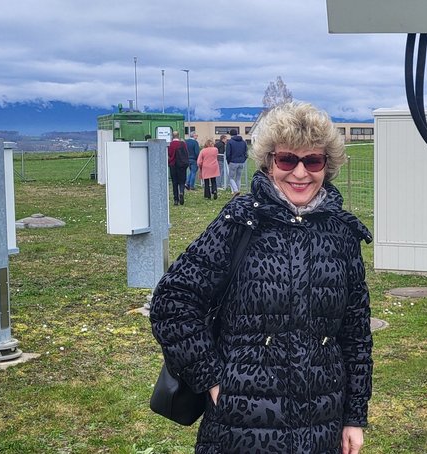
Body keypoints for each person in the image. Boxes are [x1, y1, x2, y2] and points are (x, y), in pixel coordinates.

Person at [150, 102, 373, 454]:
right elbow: (173, 300)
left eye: (312, 161)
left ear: (327, 166)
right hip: (240, 429)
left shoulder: (341, 234)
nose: (300, 172)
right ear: (269, 162)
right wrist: (212, 380)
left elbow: (356, 334)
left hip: (321, 427)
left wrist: (354, 417)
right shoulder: (240, 221)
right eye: (287, 160)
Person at [167, 131, 190, 205]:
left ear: (172, 136)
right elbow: (186, 153)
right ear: (178, 136)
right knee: (182, 181)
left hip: (173, 165)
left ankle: (176, 200)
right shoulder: (182, 144)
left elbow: (169, 154)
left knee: (174, 182)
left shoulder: (170, 144)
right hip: (181, 165)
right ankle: (181, 192)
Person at [225, 128, 248, 194]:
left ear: (230, 134)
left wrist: (228, 161)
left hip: (233, 162)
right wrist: (243, 159)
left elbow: (228, 153)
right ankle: (238, 190)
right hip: (241, 162)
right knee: (238, 178)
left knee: (231, 177)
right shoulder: (243, 142)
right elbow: (246, 152)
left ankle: (235, 190)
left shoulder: (230, 142)